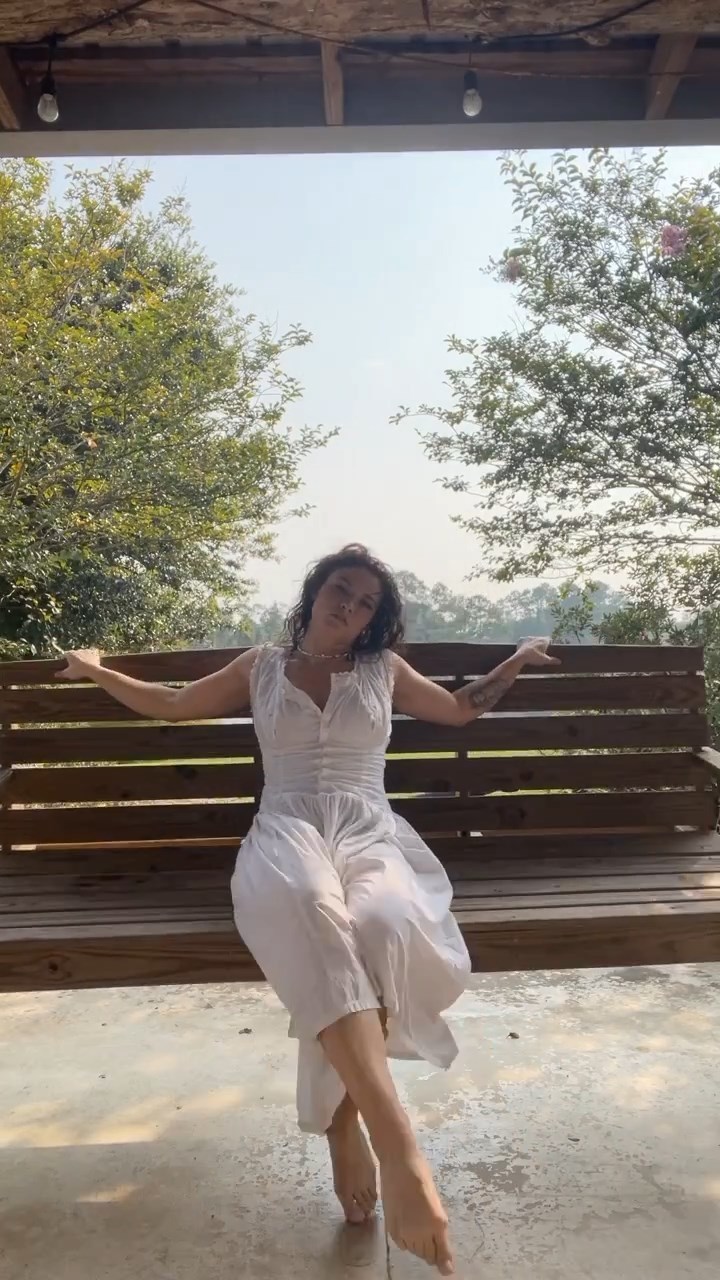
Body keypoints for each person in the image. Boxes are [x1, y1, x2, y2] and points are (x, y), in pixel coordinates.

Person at [59, 544, 559, 1275]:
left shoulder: (384, 670)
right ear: (316, 591)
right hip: (287, 829)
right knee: (309, 906)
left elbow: (457, 710)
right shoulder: (260, 666)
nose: (349, 606)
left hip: (368, 829)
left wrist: (515, 660)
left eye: (365, 603)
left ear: (372, 620)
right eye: (340, 590)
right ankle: (400, 1149)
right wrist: (96, 668)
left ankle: (344, 1122)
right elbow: (171, 702)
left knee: (384, 924)